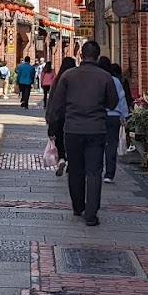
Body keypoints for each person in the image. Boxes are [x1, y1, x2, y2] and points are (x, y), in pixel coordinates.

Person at [46, 41, 117, 226]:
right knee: (94, 171)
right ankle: (91, 214)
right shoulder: (105, 77)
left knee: (75, 170)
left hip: (73, 130)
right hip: (96, 130)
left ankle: (78, 206)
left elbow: (57, 105)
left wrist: (53, 126)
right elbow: (113, 103)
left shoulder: (68, 76)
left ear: (81, 55)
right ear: (98, 56)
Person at [46, 56, 75, 177]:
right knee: (72, 141)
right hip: (72, 116)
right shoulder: (76, 80)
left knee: (59, 138)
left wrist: (49, 118)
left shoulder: (58, 80)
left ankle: (62, 159)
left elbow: (52, 100)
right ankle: (72, 163)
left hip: (58, 115)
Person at [104, 60, 130, 183]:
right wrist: (124, 115)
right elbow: (122, 98)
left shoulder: (96, 79)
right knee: (112, 145)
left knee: (97, 144)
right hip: (114, 116)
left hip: (98, 117)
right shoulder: (116, 81)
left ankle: (96, 170)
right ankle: (109, 174)